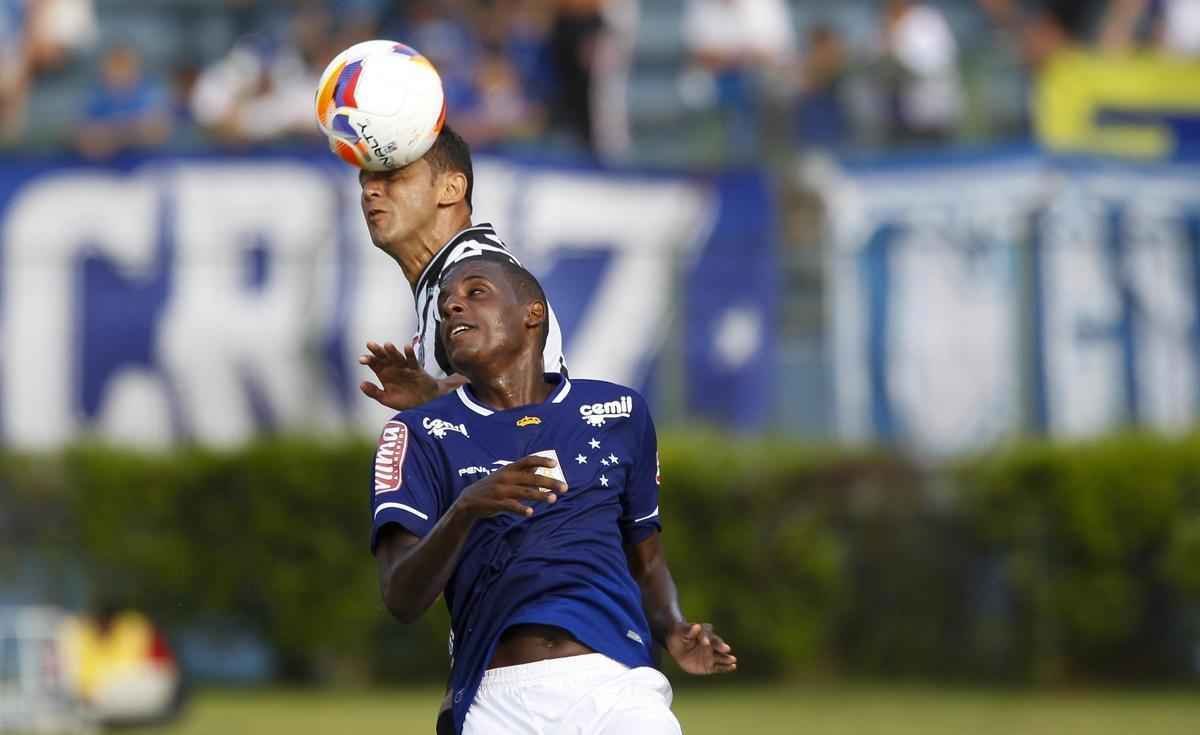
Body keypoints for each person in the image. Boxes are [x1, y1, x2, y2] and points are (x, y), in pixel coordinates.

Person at [370, 257, 735, 734]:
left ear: (532, 313)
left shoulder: (620, 412)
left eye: (475, 292)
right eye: (444, 305)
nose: (453, 305)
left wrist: (673, 628)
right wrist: (466, 509)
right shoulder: (417, 433)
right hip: (494, 698)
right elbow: (401, 597)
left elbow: (646, 559)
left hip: (613, 687)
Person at [355, 123, 566, 412]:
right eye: (365, 181)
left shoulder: (475, 274)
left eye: (393, 176)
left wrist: (432, 395)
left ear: (451, 189)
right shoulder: (452, 273)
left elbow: (508, 381)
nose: (370, 192)